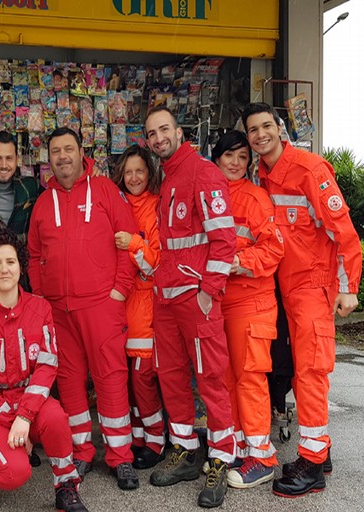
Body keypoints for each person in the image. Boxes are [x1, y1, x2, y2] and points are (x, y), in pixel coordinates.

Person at [242, 103, 362, 498]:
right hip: (286, 289)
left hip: (313, 286)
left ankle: (311, 466)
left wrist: (349, 287)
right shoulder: (261, 174)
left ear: (279, 128)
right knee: (298, 372)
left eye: (266, 126)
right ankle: (319, 449)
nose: (260, 135)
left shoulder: (309, 169)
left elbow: (342, 230)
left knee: (311, 372)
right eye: (253, 130)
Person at [27, 127, 140, 490]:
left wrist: (120, 292)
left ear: (81, 153)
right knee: (70, 383)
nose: (62, 157)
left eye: (68, 149)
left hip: (101, 306)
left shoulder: (106, 191)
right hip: (58, 311)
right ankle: (82, 451)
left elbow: (130, 241)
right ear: (50, 158)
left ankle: (120, 456)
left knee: (110, 379)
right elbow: (33, 255)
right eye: (56, 151)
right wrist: (43, 300)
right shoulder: (43, 203)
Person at [143, 106, 237, 508]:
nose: (159, 137)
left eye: (165, 129)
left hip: (194, 299)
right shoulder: (170, 178)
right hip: (166, 299)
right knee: (172, 376)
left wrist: (208, 291)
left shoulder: (203, 172)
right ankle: (183, 449)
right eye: (152, 133)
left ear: (179, 132)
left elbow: (224, 240)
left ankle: (220, 457)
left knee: (212, 378)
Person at [0, 230, 87, 511]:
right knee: (15, 473)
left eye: (10, 262)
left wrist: (25, 417)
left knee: (55, 418)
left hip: (26, 400)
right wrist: (13, 422)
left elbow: (46, 366)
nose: (4, 269)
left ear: (20, 266)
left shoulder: (40, 308)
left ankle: (66, 485)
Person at [211, 130, 284, 489]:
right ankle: (239, 447)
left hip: (251, 300)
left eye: (243, 157)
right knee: (225, 379)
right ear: (216, 159)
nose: (236, 163)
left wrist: (239, 261)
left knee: (250, 379)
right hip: (217, 302)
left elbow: (273, 250)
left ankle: (263, 458)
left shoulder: (257, 199)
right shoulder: (207, 198)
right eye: (229, 156)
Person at [110, 144, 166, 470]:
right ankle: (134, 438)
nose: (133, 178)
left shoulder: (156, 207)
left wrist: (132, 242)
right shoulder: (114, 203)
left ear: (150, 173)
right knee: (125, 383)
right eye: (128, 172)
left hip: (145, 307)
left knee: (143, 380)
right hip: (117, 306)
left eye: (139, 171)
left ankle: (155, 440)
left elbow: (155, 264)